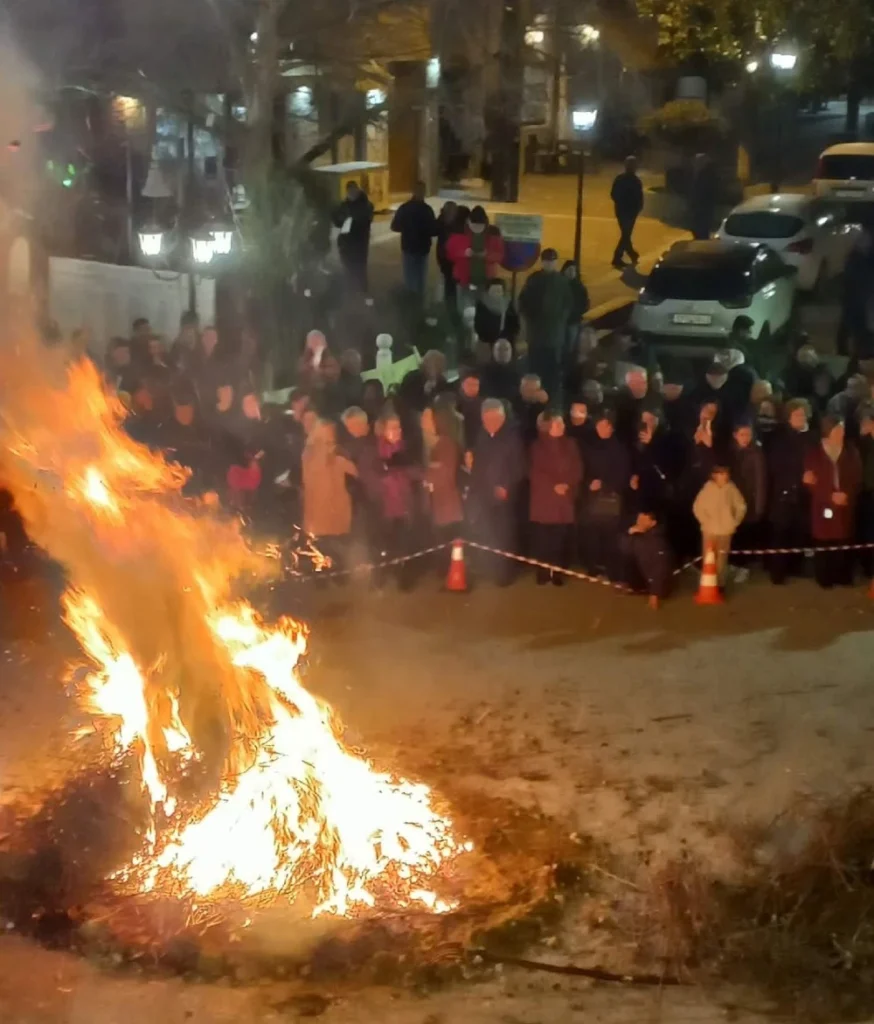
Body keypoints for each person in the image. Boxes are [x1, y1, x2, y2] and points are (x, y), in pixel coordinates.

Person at [467, 398, 526, 585]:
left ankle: (505, 573)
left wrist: (505, 485)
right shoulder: (482, 436)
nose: (492, 423)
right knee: (488, 533)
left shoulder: (512, 437)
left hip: (504, 497)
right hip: (484, 495)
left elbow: (520, 467)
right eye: (487, 419)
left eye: (496, 419)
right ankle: (490, 568)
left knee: (505, 534)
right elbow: (478, 465)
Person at [804, 415, 862, 588]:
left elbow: (857, 478)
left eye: (842, 429)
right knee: (825, 541)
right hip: (823, 507)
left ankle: (843, 576)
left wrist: (847, 495)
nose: (841, 433)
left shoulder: (851, 451)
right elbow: (811, 483)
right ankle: (825, 577)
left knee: (844, 541)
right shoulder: (814, 454)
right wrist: (829, 496)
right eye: (838, 429)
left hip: (845, 504)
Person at [528, 411, 583, 585]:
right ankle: (543, 572)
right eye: (557, 424)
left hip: (564, 499)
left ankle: (558, 572)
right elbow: (534, 471)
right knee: (543, 539)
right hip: (545, 499)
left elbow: (578, 467)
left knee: (560, 539)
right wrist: (553, 486)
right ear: (547, 426)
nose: (562, 426)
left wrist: (568, 484)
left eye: (562, 423)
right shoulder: (536, 446)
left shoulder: (571, 444)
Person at [301, 418, 358, 571]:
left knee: (334, 544)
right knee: (321, 546)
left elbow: (354, 470)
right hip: (319, 511)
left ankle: (336, 571)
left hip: (335, 508)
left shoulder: (336, 455)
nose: (330, 440)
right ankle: (324, 574)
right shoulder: (310, 455)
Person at [581, 409, 631, 582]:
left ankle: (613, 570)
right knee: (592, 535)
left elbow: (623, 474)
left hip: (611, 500)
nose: (603, 429)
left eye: (606, 425)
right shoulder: (590, 446)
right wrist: (589, 482)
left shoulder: (619, 448)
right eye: (600, 425)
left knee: (611, 537)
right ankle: (593, 568)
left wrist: (605, 484)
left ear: (612, 427)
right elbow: (583, 469)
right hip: (591, 499)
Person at [766, 398, 813, 584]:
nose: (800, 417)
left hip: (804, 495)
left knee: (799, 533)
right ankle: (777, 572)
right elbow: (776, 465)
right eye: (796, 414)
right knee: (780, 534)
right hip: (783, 494)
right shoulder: (780, 438)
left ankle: (795, 567)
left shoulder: (812, 437)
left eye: (802, 414)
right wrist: (795, 479)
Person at [518, 248, 573, 405]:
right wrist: (530, 317)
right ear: (542, 262)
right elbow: (523, 301)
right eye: (547, 261)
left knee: (552, 371)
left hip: (554, 335)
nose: (549, 264)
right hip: (537, 333)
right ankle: (533, 398)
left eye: (552, 261)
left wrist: (561, 319)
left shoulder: (562, 282)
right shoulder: (534, 279)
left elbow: (568, 304)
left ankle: (550, 399)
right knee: (535, 367)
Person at [377, 414, 423, 589]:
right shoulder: (378, 450)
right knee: (388, 545)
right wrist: (388, 469)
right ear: (384, 430)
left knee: (405, 544)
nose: (398, 431)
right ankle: (383, 577)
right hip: (387, 507)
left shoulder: (405, 448)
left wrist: (408, 467)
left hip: (405, 505)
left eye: (399, 427)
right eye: (393, 427)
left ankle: (404, 580)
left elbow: (416, 472)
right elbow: (375, 476)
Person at [692, 463, 747, 588]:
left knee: (722, 559)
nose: (724, 476)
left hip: (725, 531)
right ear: (714, 475)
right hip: (709, 530)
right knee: (707, 557)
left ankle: (720, 584)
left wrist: (734, 521)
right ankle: (706, 584)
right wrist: (705, 521)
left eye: (726, 473)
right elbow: (697, 507)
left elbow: (741, 507)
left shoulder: (732, 489)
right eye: (721, 473)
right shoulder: (707, 489)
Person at [421, 404, 464, 560]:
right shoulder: (430, 445)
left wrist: (428, 475)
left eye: (427, 419)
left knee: (450, 542)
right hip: (439, 503)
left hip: (448, 503)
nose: (423, 423)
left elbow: (446, 474)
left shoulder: (445, 444)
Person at [728, 420, 766, 580]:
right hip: (731, 502)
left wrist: (759, 506)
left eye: (748, 434)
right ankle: (733, 564)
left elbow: (761, 481)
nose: (745, 438)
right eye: (742, 434)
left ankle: (743, 567)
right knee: (734, 534)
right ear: (735, 436)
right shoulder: (729, 453)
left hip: (749, 502)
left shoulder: (756, 454)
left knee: (746, 536)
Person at [445, 206, 505, 308]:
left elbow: (499, 255)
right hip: (464, 279)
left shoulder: (493, 234)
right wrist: (464, 253)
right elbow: (449, 253)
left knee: (484, 308)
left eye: (480, 226)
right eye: (474, 226)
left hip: (486, 280)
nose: (477, 229)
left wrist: (487, 255)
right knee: (465, 308)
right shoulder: (459, 233)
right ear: (468, 222)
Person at [391, 181, 437, 297]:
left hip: (409, 246)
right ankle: (418, 301)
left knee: (410, 277)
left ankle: (412, 301)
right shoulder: (427, 210)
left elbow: (395, 226)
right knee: (421, 278)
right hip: (422, 248)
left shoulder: (405, 208)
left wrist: (407, 229)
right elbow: (433, 230)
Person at [622, 508, 675, 609]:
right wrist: (629, 533)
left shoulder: (657, 542)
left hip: (655, 587)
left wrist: (655, 594)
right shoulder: (638, 535)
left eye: (643, 520)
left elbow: (661, 569)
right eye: (638, 519)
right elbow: (624, 550)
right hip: (642, 583)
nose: (639, 522)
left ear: (653, 523)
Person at [837, 222, 874, 358]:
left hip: (858, 297)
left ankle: (854, 351)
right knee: (857, 326)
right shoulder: (858, 259)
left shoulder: (857, 258)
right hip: (857, 297)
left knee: (855, 325)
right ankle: (859, 353)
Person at [333, 180, 374, 294]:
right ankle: (351, 289)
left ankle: (363, 290)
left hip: (360, 242)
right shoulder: (345, 205)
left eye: (353, 190)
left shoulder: (365, 204)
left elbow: (366, 220)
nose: (351, 193)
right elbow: (337, 221)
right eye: (349, 191)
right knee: (348, 266)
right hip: (346, 242)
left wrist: (351, 219)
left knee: (360, 266)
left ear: (357, 190)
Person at [610, 156, 644, 269]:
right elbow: (639, 198)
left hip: (622, 211)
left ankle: (631, 254)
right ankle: (618, 257)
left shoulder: (620, 179)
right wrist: (637, 207)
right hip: (628, 212)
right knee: (626, 234)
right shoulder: (635, 181)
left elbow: (613, 194)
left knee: (626, 234)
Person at [474, 278, 521, 348]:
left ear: (503, 291)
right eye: (493, 290)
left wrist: (511, 335)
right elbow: (478, 323)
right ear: (488, 291)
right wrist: (484, 337)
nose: (496, 293)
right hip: (487, 341)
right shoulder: (482, 305)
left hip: (506, 341)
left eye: (499, 291)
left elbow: (514, 321)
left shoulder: (507, 303)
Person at [562, 260, 590, 352]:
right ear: (564, 270)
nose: (571, 272)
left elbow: (585, 304)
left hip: (573, 322)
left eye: (573, 270)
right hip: (560, 322)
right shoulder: (559, 284)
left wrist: (577, 314)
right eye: (569, 269)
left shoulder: (579, 287)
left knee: (570, 347)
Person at [689, 152, 718, 241]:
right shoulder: (698, 174)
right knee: (699, 232)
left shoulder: (705, 175)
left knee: (701, 232)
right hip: (700, 211)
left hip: (702, 211)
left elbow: (704, 194)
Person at [481, 339, 520, 404]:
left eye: (506, 349)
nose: (503, 352)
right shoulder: (485, 371)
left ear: (511, 351)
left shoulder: (519, 370)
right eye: (499, 349)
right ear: (493, 352)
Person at [435, 200, 459, 303]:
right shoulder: (447, 222)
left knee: (449, 281)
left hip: (447, 256)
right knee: (450, 281)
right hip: (445, 257)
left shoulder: (443, 221)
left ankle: (449, 301)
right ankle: (450, 302)